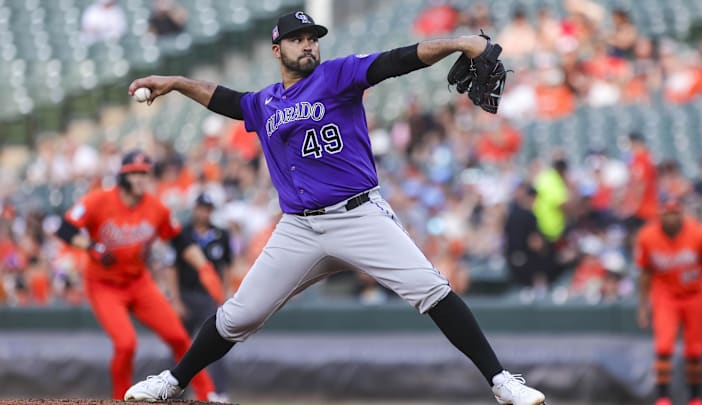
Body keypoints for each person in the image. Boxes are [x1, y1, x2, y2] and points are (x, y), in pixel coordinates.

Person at [124, 11, 546, 405]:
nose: (307, 45)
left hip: (359, 215)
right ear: (277, 51)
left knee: (431, 289)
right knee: (238, 316)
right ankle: (174, 382)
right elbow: (227, 100)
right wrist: (177, 81)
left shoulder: (337, 75)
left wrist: (458, 43)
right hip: (299, 229)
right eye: (296, 39)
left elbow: (395, 61)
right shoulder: (264, 102)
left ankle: (501, 381)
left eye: (311, 38)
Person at [54, 150, 223, 400]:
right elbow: (65, 229)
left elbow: (181, 242)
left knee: (178, 336)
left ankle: (207, 393)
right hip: (104, 284)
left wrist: (204, 268)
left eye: (144, 173)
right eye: (135, 173)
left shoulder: (156, 208)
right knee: (126, 344)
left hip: (138, 282)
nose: (141, 178)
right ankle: (121, 398)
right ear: (123, 175)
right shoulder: (98, 200)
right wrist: (91, 246)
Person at [635, 199, 702, 405]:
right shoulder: (648, 236)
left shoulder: (698, 233)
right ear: (660, 215)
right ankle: (663, 397)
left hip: (694, 294)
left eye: (675, 213)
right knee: (663, 346)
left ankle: (695, 398)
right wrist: (643, 305)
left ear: (682, 214)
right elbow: (645, 273)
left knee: (695, 350)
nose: (671, 218)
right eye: (667, 214)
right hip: (665, 295)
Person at [169, 193, 232, 403]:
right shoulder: (183, 234)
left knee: (216, 343)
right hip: (186, 294)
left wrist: (223, 295)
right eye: (200, 208)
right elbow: (173, 268)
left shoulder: (221, 234)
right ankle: (176, 392)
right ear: (194, 209)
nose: (203, 212)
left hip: (208, 297)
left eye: (207, 209)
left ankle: (219, 393)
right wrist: (176, 299)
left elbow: (226, 267)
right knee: (180, 344)